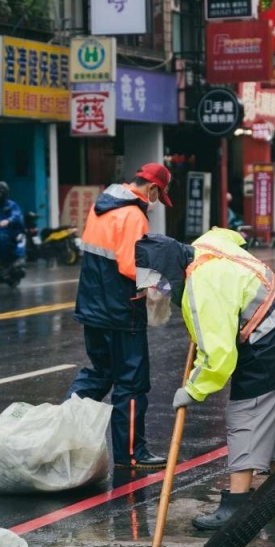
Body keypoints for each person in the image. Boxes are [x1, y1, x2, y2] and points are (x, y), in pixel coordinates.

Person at [140, 229, 275, 530]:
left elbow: (219, 354)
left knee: (245, 417)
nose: (162, 291)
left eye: (161, 284)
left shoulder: (202, 285)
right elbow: (233, 236)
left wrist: (193, 389)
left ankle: (236, 506)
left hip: (269, 345)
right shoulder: (206, 246)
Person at [68, 163, 172, 470]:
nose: (155, 204)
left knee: (99, 374)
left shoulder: (101, 208)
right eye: (159, 196)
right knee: (131, 384)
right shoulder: (133, 215)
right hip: (121, 312)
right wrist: (165, 284)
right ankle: (130, 453)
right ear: (153, 188)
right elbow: (131, 266)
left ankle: (62, 429)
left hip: (92, 308)